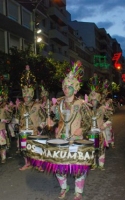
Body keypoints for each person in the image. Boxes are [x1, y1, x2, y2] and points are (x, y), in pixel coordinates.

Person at [52, 61, 91, 200]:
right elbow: (56, 119)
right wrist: (52, 123)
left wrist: (82, 129)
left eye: (69, 87)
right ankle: (64, 188)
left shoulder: (81, 104)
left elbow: (89, 122)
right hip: (61, 138)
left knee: (78, 167)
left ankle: (78, 191)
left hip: (76, 139)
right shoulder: (59, 103)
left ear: (75, 89)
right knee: (59, 167)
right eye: (64, 87)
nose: (65, 90)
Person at [18, 65, 46, 170]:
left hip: (34, 130)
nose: (26, 98)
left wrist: (40, 127)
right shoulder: (20, 106)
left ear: (32, 95)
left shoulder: (37, 106)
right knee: (24, 149)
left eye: (28, 96)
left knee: (36, 149)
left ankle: (39, 164)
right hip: (23, 130)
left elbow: (44, 118)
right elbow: (17, 117)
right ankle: (27, 163)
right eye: (24, 96)